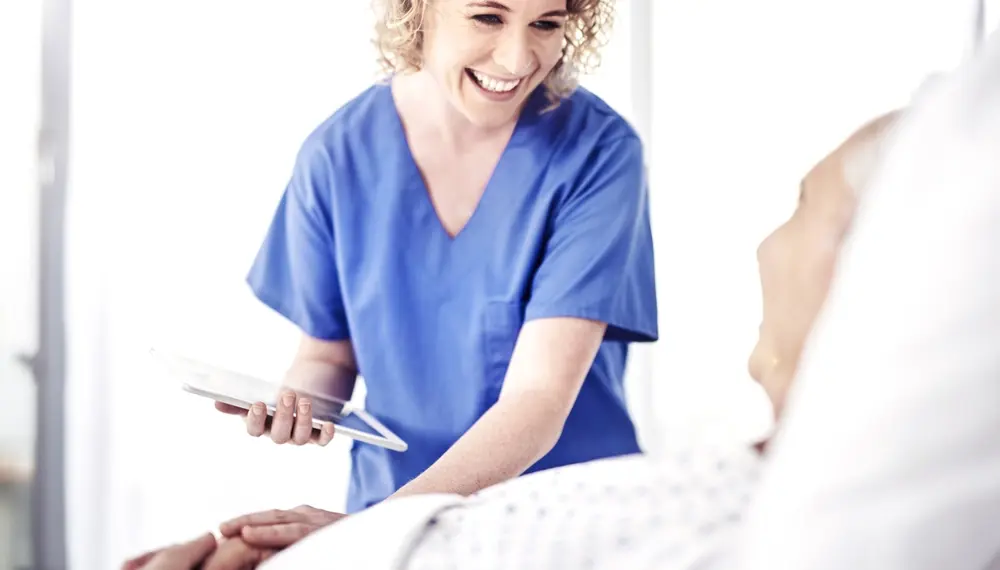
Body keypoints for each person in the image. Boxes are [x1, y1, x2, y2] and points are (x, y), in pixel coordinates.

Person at [217, 0, 658, 524]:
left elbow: (538, 397)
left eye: (546, 23)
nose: (518, 59)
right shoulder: (337, 156)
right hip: (394, 508)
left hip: (567, 518)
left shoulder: (599, 152)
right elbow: (328, 358)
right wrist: (301, 402)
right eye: (488, 17)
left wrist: (378, 528)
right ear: (417, 9)